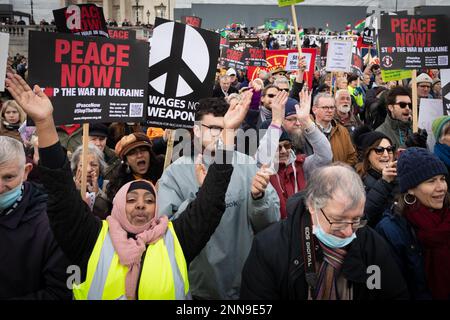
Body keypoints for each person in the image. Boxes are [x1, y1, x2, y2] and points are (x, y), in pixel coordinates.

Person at [5, 72, 239, 300]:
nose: (140, 206)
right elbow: (60, 193)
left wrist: (227, 135)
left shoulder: (177, 240)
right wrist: (45, 123)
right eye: (131, 200)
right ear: (116, 205)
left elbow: (211, 201)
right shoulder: (92, 238)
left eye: (149, 201)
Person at [157, 94, 280, 300]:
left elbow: (270, 224)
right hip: (199, 288)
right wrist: (203, 196)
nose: (220, 135)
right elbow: (168, 234)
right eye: (214, 128)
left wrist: (259, 198)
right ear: (196, 130)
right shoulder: (175, 174)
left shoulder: (247, 164)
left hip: (245, 284)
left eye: (226, 128)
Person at [240, 163, 409, 300]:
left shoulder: (370, 244)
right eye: (338, 221)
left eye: (356, 219)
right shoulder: (270, 248)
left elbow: (390, 292)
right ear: (312, 206)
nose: (349, 232)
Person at [0, 135, 71, 299]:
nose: (0, 187)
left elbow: (61, 292)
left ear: (26, 172)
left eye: (8, 177)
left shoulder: (52, 225)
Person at [376, 148, 450, 299]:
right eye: (431, 181)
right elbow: (388, 289)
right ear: (410, 189)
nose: (441, 187)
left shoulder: (447, 215)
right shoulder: (391, 230)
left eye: (442, 179)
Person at [257, 91, 332, 219]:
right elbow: (263, 156)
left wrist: (307, 122)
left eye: (287, 145)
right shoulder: (259, 167)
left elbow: (325, 156)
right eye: (277, 147)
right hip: (274, 229)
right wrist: (276, 122)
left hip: (302, 226)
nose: (284, 151)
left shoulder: (300, 164)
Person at [104, 132, 164, 216]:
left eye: (143, 150)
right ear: (126, 161)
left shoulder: (164, 172)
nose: (139, 155)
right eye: (132, 153)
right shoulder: (118, 185)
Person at [354, 126, 398, 227]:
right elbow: (362, 217)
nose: (386, 155)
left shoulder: (398, 175)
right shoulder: (357, 182)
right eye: (379, 150)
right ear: (367, 154)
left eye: (389, 149)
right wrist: (384, 183)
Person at [310, 93, 357, 166]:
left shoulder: (342, 131)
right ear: (314, 109)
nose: (329, 111)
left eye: (332, 107)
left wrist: (340, 171)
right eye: (325, 107)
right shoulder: (309, 132)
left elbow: (352, 156)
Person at [70, 143, 108, 216]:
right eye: (83, 165)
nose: (88, 169)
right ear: (76, 168)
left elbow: (105, 212)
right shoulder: (67, 185)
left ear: (100, 168)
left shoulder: (107, 186)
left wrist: (97, 193)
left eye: (94, 165)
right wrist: (76, 192)